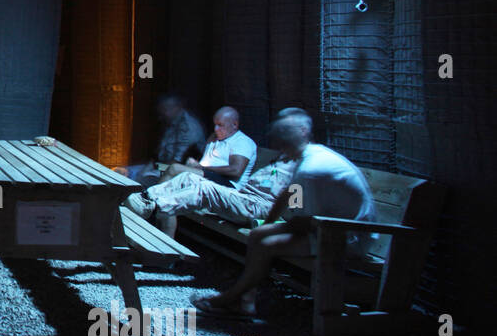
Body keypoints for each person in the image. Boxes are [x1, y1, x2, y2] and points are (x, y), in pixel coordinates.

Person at [193, 111, 376, 318]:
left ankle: (230, 299)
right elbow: (287, 194)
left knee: (265, 243)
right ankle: (244, 302)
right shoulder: (310, 155)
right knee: (258, 235)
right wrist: (267, 224)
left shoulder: (311, 169)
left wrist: (267, 229)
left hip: (348, 237)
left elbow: (305, 222)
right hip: (330, 228)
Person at [128, 107, 298, 237]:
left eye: (285, 132)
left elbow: (295, 205)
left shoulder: (300, 164)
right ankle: (146, 199)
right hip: (244, 198)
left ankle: (150, 206)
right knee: (188, 176)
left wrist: (277, 221)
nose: (216, 129)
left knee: (203, 187)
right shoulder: (281, 159)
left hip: (255, 205)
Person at [118, 95, 205, 186]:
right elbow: (158, 154)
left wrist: (150, 170)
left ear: (177, 107)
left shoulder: (188, 127)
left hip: (172, 170)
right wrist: (148, 167)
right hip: (159, 166)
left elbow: (177, 161)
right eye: (162, 109)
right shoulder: (169, 122)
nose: (162, 112)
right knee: (120, 171)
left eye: (166, 109)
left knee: (139, 181)